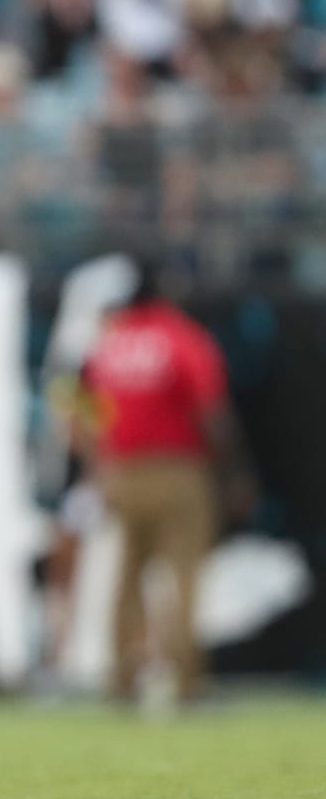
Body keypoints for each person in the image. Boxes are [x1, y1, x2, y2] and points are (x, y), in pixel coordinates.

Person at [76, 259, 252, 705]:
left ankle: (123, 676)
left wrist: (99, 468)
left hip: (121, 471)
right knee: (184, 576)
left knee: (127, 576)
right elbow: (211, 410)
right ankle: (187, 679)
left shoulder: (110, 343)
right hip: (177, 468)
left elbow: (86, 415)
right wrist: (234, 472)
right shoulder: (182, 336)